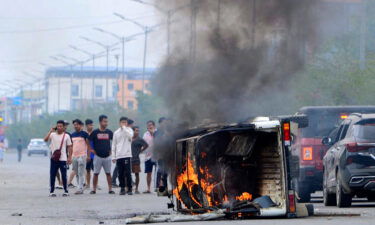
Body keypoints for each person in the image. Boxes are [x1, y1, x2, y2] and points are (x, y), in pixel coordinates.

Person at [44, 120, 73, 197]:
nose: (59, 127)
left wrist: (69, 157)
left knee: (64, 175)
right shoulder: (52, 135)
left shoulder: (66, 136)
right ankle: (52, 191)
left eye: (61, 126)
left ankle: (66, 191)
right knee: (52, 174)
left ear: (64, 127)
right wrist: (50, 131)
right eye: (58, 126)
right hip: (54, 158)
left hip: (63, 158)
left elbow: (70, 147)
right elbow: (45, 140)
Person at [89, 115, 114, 194]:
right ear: (100, 122)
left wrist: (112, 150)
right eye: (104, 121)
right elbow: (88, 140)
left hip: (107, 156)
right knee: (96, 173)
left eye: (107, 121)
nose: (106, 123)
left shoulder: (109, 132)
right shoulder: (95, 132)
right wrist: (91, 149)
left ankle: (110, 189)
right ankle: (94, 189)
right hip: (97, 157)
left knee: (108, 173)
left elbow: (115, 141)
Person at [112, 117, 134, 195]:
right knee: (120, 173)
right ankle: (122, 188)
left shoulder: (129, 130)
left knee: (128, 173)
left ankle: (130, 188)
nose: (123, 124)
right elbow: (114, 144)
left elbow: (130, 136)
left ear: (127, 123)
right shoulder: (116, 132)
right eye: (122, 122)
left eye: (125, 122)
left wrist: (124, 128)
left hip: (127, 155)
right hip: (119, 156)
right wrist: (113, 156)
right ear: (119, 123)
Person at [71, 119, 91, 194]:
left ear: (80, 125)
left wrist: (88, 156)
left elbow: (88, 146)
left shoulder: (85, 134)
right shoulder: (72, 135)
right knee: (76, 172)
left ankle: (80, 188)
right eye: (74, 125)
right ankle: (79, 186)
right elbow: (70, 146)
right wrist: (69, 157)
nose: (75, 126)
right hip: (74, 156)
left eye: (77, 124)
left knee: (81, 172)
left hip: (82, 156)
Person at [131, 126, 148, 194]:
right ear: (132, 131)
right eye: (136, 130)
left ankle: (136, 188)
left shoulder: (140, 139)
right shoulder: (128, 138)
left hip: (136, 159)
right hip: (128, 158)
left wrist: (141, 151)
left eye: (138, 131)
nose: (137, 132)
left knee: (137, 174)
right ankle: (128, 187)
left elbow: (146, 145)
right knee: (127, 174)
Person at [154, 117, 169, 194]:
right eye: (164, 122)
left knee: (165, 172)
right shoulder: (157, 132)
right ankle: (158, 187)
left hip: (167, 154)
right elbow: (157, 144)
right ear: (160, 123)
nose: (165, 124)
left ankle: (165, 188)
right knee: (160, 171)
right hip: (161, 154)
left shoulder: (169, 131)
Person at [143, 120, 156, 193]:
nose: (149, 126)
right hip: (148, 156)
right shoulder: (145, 134)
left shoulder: (157, 133)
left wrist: (153, 133)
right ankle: (148, 188)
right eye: (148, 125)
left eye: (151, 125)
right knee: (148, 173)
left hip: (157, 156)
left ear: (154, 125)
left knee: (158, 172)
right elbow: (143, 144)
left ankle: (159, 187)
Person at [85, 119, 94, 189]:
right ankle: (88, 184)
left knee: (96, 171)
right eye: (90, 125)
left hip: (95, 154)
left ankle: (96, 184)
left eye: (92, 125)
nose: (92, 126)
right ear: (87, 126)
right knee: (88, 170)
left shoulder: (95, 133)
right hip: (87, 154)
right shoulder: (84, 134)